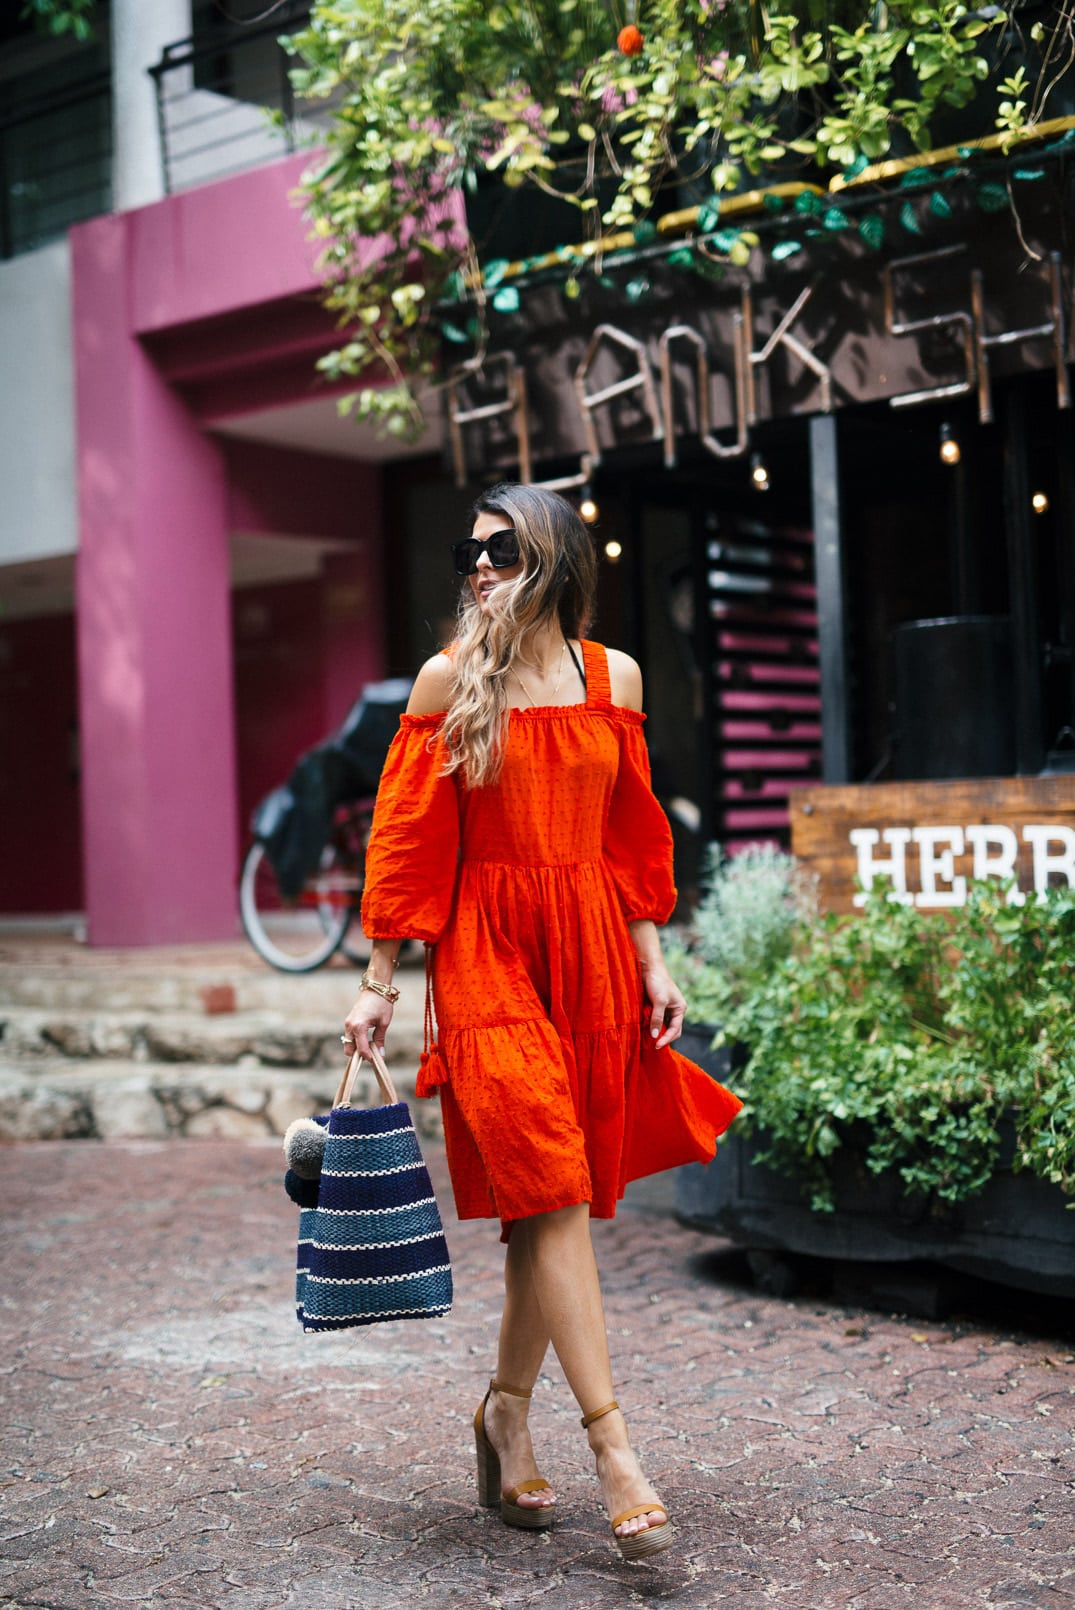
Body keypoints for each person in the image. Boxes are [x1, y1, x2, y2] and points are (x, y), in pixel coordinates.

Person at [343, 483, 741, 1562]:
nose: (477, 567)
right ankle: (614, 1447)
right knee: (550, 1180)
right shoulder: (446, 681)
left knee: (544, 1202)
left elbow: (630, 829)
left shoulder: (613, 675)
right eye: (469, 551)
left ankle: (503, 1411)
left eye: (501, 550)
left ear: (556, 560)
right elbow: (408, 840)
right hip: (484, 957)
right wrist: (380, 980)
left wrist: (654, 956)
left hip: (592, 952)